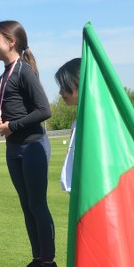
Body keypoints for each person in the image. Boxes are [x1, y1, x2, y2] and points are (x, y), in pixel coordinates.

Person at [0, 20, 58, 267]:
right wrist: (2, 124)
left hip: (33, 146)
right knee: (26, 205)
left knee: (37, 204)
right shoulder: (1, 78)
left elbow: (44, 110)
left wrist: (12, 126)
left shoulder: (24, 71)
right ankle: (38, 259)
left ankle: (49, 264)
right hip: (14, 148)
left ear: (11, 42)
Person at [55, 58, 81, 193]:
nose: (60, 92)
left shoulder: (94, 123)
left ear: (78, 82)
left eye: (63, 86)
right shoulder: (79, 120)